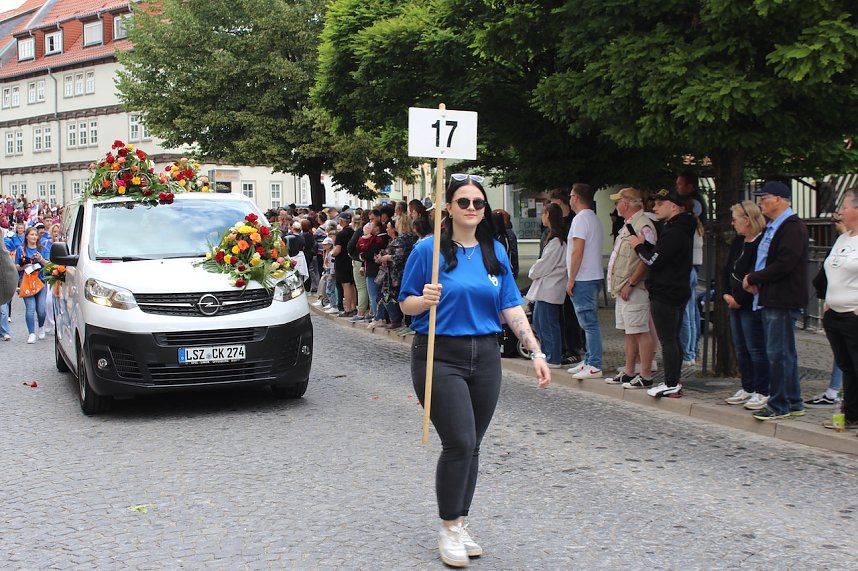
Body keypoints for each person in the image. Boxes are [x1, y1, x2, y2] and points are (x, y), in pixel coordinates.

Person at [399, 173, 549, 568]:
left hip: (485, 355)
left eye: (477, 203)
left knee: (474, 444)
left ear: (484, 210)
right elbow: (404, 304)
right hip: (438, 353)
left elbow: (511, 306)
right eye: (462, 202)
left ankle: (461, 522)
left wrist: (535, 351)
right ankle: (448, 528)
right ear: (448, 208)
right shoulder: (427, 250)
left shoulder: (494, 251)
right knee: (460, 442)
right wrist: (423, 299)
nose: (470, 208)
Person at [743, 180, 809, 421]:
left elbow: (784, 263)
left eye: (765, 198)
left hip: (782, 298)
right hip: (772, 296)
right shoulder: (776, 225)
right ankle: (794, 401)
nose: (761, 202)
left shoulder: (790, 226)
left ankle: (779, 403)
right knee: (784, 353)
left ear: (780, 199)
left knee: (778, 354)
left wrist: (754, 277)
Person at [630, 188, 695, 398]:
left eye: (659, 204)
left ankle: (671, 383)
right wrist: (648, 246)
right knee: (673, 338)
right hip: (674, 289)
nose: (654, 208)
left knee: (668, 340)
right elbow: (662, 255)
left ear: (673, 206)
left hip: (666, 292)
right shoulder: (677, 229)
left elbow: (653, 261)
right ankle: (673, 381)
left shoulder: (675, 232)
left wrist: (639, 246)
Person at [604, 187, 658, 388]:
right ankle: (629, 371)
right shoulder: (629, 225)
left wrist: (632, 283)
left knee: (640, 330)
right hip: (624, 288)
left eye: (618, 202)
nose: (616, 206)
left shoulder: (643, 225)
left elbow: (647, 259)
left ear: (626, 203)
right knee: (629, 331)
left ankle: (645, 374)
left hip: (635, 288)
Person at [722, 201, 770, 410]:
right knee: (740, 347)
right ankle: (747, 387)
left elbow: (753, 274)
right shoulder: (738, 242)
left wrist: (740, 299)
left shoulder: (760, 243)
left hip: (749, 303)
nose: (733, 224)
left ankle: (763, 390)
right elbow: (727, 268)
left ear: (747, 220)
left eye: (735, 220)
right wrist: (725, 293)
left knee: (755, 348)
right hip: (732, 300)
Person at [820, 188, 858, 430]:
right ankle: (852, 415)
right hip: (834, 313)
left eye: (844, 206)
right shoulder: (843, 238)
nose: (840, 211)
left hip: (853, 314)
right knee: (847, 367)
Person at [806, 213, 847, 407]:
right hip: (839, 304)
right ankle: (836, 391)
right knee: (843, 350)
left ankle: (836, 391)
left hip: (850, 306)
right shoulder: (844, 239)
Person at [565, 183, 605, 379]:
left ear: (577, 198)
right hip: (592, 275)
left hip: (584, 277)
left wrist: (571, 279)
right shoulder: (593, 218)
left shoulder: (580, 219)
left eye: (571, 195)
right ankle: (589, 360)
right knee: (587, 322)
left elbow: (577, 250)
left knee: (589, 323)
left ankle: (595, 364)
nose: (569, 198)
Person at [526, 203, 567, 368]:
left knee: (548, 323)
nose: (541, 216)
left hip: (551, 288)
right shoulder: (552, 238)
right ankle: (547, 353)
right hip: (545, 288)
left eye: (543, 213)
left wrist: (532, 271)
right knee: (539, 321)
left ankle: (553, 357)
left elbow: (544, 264)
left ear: (549, 215)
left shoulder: (557, 241)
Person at [14, 226, 49, 344]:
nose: (34, 237)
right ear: (27, 236)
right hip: (27, 282)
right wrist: (24, 266)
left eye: (35, 235)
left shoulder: (42, 249)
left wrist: (41, 259)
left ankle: (41, 327)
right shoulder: (21, 249)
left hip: (41, 282)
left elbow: (49, 265)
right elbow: (16, 266)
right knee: (30, 309)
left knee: (41, 309)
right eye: (32, 235)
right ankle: (31, 333)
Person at [332, 212, 356, 317]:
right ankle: (354, 306)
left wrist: (331, 253)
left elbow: (337, 250)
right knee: (351, 285)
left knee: (345, 285)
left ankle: (348, 309)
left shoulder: (340, 234)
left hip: (342, 262)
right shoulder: (353, 232)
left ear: (341, 221)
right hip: (351, 260)